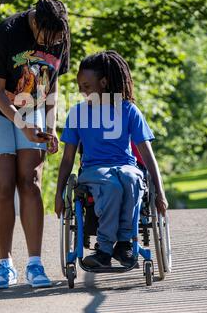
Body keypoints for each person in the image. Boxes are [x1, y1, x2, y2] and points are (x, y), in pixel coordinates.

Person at [0, 0, 70, 288]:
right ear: (35, 23)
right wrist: (21, 123)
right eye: (46, 37)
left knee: (30, 181)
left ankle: (35, 264)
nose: (51, 43)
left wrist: (51, 127)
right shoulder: (8, 31)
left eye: (57, 39)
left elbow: (52, 85)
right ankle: (5, 264)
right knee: (3, 184)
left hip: (34, 107)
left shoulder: (60, 34)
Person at [55, 51, 167, 268]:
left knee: (130, 178)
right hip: (93, 169)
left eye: (87, 86)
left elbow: (146, 154)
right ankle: (105, 248)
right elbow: (68, 158)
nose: (82, 92)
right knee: (112, 185)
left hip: (126, 166)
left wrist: (160, 193)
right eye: (80, 87)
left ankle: (124, 243)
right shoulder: (77, 113)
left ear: (104, 82)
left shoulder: (128, 110)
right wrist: (59, 194)